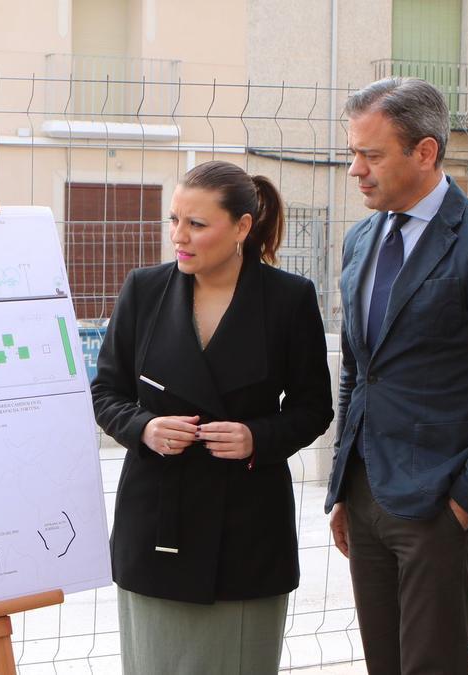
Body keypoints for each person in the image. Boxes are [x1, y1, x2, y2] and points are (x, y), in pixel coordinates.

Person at [324, 77, 468, 674]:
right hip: (366, 496)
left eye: (371, 155)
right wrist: (346, 487)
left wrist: (466, 504)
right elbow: (358, 371)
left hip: (441, 507)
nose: (355, 170)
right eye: (352, 154)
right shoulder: (361, 239)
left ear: (425, 152)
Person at [92, 160, 333, 674]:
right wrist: (144, 428)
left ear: (242, 226)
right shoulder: (143, 290)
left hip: (245, 530)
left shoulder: (289, 299)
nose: (180, 237)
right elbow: (105, 392)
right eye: (174, 221)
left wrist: (256, 437)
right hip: (157, 522)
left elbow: (314, 407)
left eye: (197, 224)